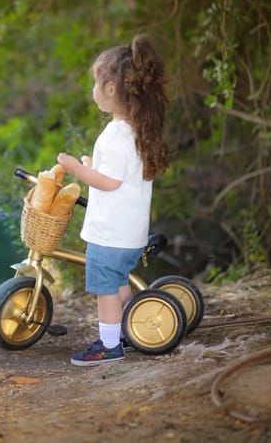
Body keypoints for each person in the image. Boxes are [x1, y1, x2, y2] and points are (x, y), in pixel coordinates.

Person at [57, 35, 169, 366]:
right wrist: (92, 167)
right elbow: (119, 176)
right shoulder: (137, 131)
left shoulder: (117, 133)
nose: (93, 90)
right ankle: (130, 329)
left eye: (96, 82)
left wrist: (77, 170)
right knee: (118, 283)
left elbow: (109, 182)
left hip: (111, 236)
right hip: (128, 235)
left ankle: (110, 345)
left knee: (106, 290)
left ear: (110, 89)